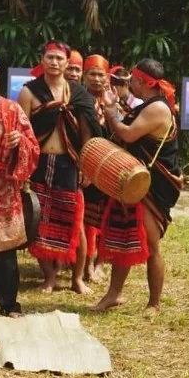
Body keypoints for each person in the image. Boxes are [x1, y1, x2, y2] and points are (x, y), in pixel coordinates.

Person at [94, 59, 183, 313]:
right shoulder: (150, 105)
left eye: (132, 79)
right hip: (136, 179)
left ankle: (154, 304)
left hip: (152, 185)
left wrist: (111, 113)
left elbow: (128, 134)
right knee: (124, 235)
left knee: (151, 244)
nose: (128, 83)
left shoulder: (157, 109)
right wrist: (114, 110)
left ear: (142, 82)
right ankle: (114, 294)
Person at [18, 40, 101, 294]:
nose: (54, 63)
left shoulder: (78, 95)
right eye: (50, 57)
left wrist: (87, 166)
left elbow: (89, 132)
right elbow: (22, 132)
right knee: (38, 222)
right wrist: (23, 168)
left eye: (59, 59)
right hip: (39, 163)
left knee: (75, 223)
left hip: (69, 164)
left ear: (68, 63)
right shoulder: (29, 92)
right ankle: (50, 276)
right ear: (41, 60)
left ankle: (77, 279)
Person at [0, 52, 40, 317]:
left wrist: (19, 144)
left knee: (5, 249)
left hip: (2, 185)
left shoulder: (11, 109)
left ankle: (8, 303)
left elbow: (33, 146)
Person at [81, 53, 110, 284]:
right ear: (84, 76)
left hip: (112, 167)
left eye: (101, 74)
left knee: (108, 216)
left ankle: (102, 261)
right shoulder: (80, 100)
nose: (97, 79)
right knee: (89, 218)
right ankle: (88, 263)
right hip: (89, 165)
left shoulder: (115, 101)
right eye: (92, 74)